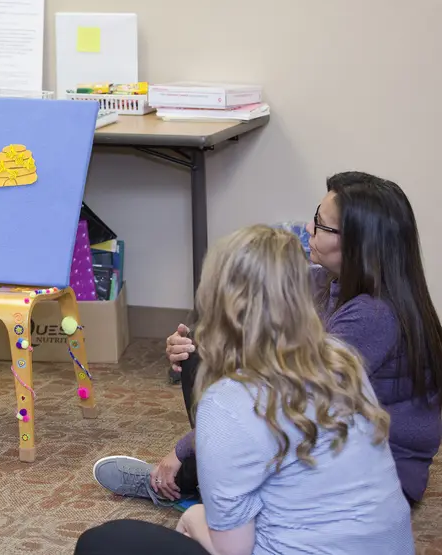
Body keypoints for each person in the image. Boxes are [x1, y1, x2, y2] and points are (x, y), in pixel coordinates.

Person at [94, 171, 442, 507]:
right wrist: (190, 345)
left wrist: (184, 448)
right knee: (203, 348)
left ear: (358, 245)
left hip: (373, 475)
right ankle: (209, 480)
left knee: (251, 411)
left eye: (320, 225)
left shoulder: (374, 316)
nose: (308, 229)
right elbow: (244, 325)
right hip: (330, 437)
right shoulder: (325, 281)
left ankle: (191, 481)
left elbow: (291, 401)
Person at [76, 225, 414, 555]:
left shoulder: (226, 403)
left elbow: (232, 549)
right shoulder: (340, 359)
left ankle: (200, 496)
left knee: (103, 542)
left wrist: (196, 518)